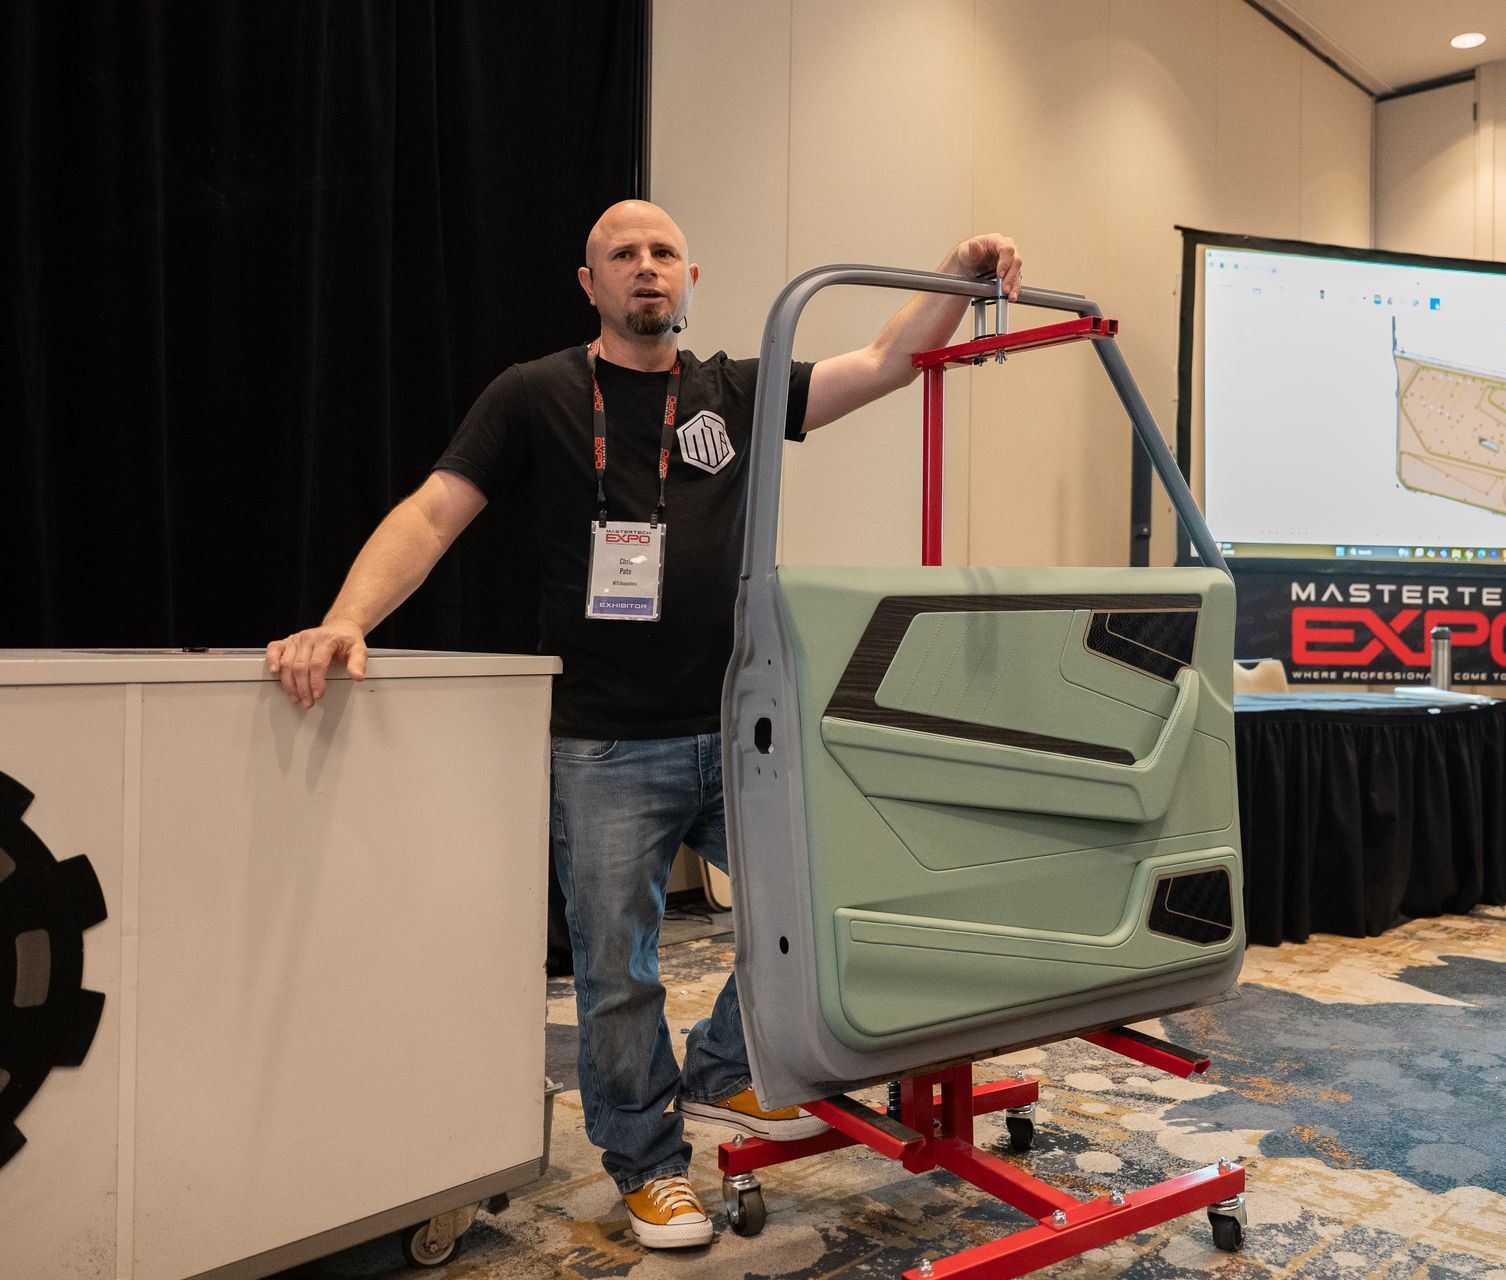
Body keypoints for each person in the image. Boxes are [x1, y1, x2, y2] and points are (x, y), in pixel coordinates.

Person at [266, 200, 1021, 1250]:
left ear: (692, 274)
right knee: (618, 967)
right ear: (590, 283)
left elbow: (888, 360)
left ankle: (724, 1069)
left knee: (807, 904)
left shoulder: (735, 390)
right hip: (607, 741)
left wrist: (955, 268)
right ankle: (648, 1160)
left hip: (738, 727)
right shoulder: (534, 395)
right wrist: (345, 617)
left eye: (663, 252)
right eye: (623, 255)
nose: (646, 268)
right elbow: (435, 508)